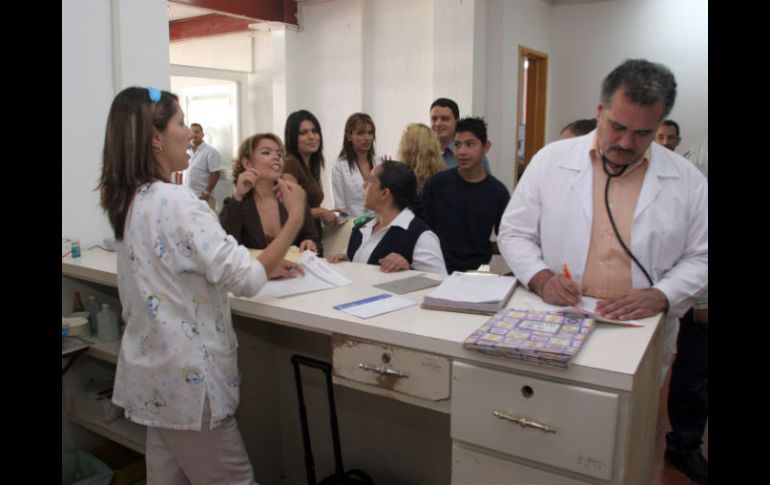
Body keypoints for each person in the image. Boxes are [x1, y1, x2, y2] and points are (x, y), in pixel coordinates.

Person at [497, 59, 708, 479]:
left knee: (625, 440)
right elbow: (514, 233)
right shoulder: (550, 160)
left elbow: (702, 256)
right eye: (617, 126)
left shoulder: (687, 180)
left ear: (661, 124)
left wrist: (661, 294)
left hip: (639, 331)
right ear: (599, 111)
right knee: (548, 428)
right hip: (557, 319)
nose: (627, 142)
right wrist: (541, 279)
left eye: (643, 133)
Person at [98, 86, 307, 485]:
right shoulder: (179, 202)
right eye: (180, 123)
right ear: (155, 137)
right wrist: (294, 218)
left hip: (157, 378)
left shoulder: (130, 201)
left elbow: (184, 264)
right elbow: (245, 280)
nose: (190, 134)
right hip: (190, 384)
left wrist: (261, 257)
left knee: (166, 478)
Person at [665, 134, 708, 485]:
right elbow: (696, 241)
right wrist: (704, 299)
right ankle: (684, 444)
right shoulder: (699, 157)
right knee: (695, 376)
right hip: (703, 297)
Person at [421, 117, 510, 273]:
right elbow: (419, 227)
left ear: (486, 147)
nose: (461, 151)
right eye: (457, 145)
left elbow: (510, 238)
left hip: (477, 273)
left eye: (470, 144)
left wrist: (484, 247)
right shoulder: (436, 184)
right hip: (435, 269)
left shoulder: (498, 192)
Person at [327, 161, 446, 274]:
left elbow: (439, 285)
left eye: (369, 181)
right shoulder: (361, 229)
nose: (364, 185)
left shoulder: (421, 236)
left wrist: (409, 269)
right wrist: (345, 263)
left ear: (384, 193)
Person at [219, 133, 321, 254]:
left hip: (293, 271)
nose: (276, 157)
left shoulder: (294, 198)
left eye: (279, 154)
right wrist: (238, 196)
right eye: (266, 153)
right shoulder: (235, 203)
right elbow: (225, 247)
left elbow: (314, 239)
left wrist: (310, 243)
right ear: (247, 163)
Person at [283, 110, 339, 233]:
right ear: (292, 137)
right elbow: (288, 209)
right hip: (299, 242)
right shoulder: (290, 164)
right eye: (303, 133)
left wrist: (328, 213)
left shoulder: (309, 166)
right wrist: (321, 212)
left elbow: (309, 207)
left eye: (314, 131)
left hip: (312, 237)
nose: (311, 136)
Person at [332, 113, 383, 218]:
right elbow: (340, 206)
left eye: (370, 133)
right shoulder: (340, 166)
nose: (367, 138)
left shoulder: (380, 163)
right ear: (349, 136)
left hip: (379, 226)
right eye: (361, 133)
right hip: (352, 227)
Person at [429, 98, 491, 173]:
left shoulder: (473, 156)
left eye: (445, 119)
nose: (438, 123)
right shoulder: (423, 153)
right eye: (434, 119)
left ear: (457, 121)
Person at [397, 123, 446, 194]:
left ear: (410, 147)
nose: (401, 144)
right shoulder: (443, 178)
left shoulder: (402, 181)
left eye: (404, 139)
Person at [184, 123, 222, 211]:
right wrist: (179, 190)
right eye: (191, 132)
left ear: (202, 134)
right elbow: (180, 173)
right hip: (187, 196)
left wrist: (206, 193)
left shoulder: (211, 152)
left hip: (203, 197)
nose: (194, 135)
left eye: (197, 132)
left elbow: (215, 174)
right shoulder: (186, 151)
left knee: (206, 223)